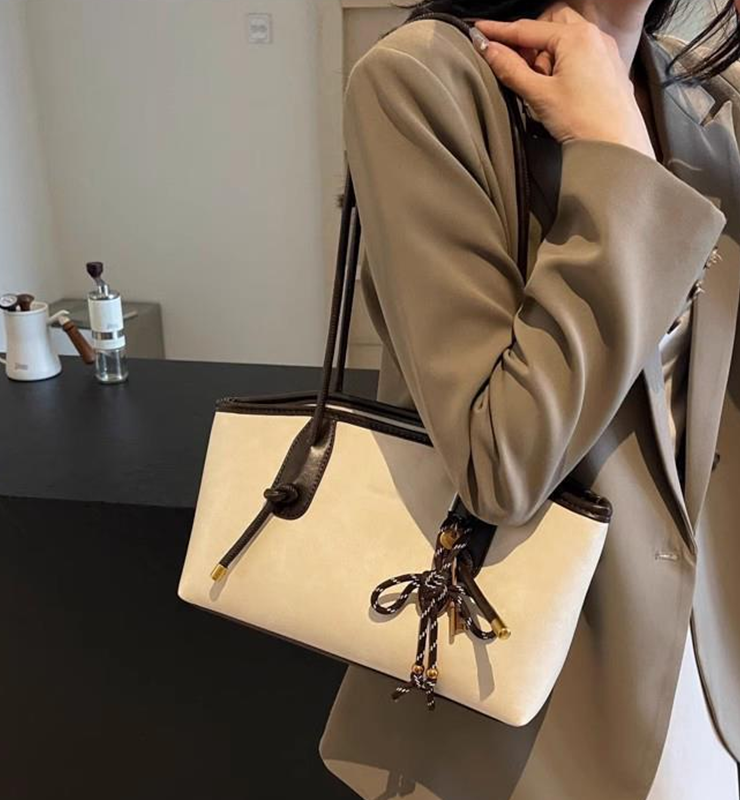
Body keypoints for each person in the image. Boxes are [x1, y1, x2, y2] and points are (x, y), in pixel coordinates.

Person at [317, 2, 740, 799]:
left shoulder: (705, 98)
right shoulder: (423, 80)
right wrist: (619, 169)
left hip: (710, 688)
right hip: (528, 706)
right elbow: (499, 461)